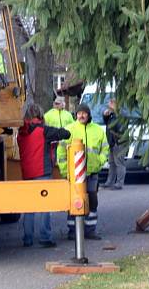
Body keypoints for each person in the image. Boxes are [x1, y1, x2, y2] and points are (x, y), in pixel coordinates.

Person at [17, 103, 70, 247]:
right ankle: (45, 237)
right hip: (42, 172)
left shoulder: (21, 132)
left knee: (29, 208)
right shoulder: (44, 131)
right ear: (40, 115)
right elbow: (65, 134)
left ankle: (27, 238)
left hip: (27, 173)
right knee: (45, 206)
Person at [57, 103, 108, 240]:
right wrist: (64, 170)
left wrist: (99, 161)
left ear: (88, 114)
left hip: (92, 172)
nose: (81, 115)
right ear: (76, 115)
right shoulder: (69, 130)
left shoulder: (98, 130)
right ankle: (73, 231)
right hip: (73, 175)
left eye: (84, 113)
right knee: (74, 201)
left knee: (92, 200)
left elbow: (105, 149)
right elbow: (61, 151)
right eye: (79, 113)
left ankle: (90, 230)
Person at [101, 99, 127, 190]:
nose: (109, 106)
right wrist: (105, 116)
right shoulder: (112, 115)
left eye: (110, 104)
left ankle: (119, 183)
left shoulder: (121, 114)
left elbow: (120, 128)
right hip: (112, 142)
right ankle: (109, 182)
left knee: (119, 163)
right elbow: (107, 123)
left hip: (119, 142)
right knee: (111, 163)